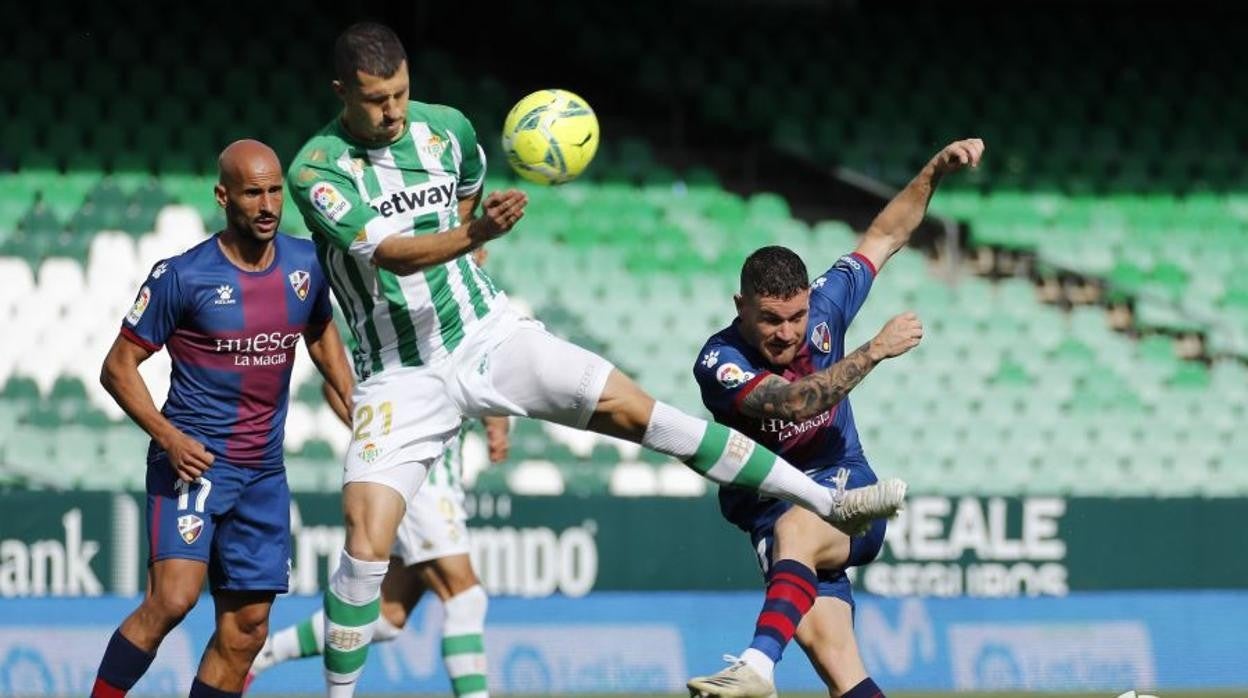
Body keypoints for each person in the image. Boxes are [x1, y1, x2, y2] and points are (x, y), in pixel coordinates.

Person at [286, 22, 907, 696]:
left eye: (402, 93)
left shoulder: (447, 131)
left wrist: (474, 236)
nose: (394, 111)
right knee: (364, 540)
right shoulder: (317, 169)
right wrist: (472, 233)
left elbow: (465, 190)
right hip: (398, 373)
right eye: (377, 100)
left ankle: (827, 499)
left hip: (486, 334)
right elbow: (391, 253)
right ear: (343, 91)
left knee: (640, 411)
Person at [686, 138, 985, 698]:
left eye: (796, 317)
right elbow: (796, 401)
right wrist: (872, 350)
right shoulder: (718, 362)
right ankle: (764, 665)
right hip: (769, 510)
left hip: (847, 492)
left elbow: (885, 235)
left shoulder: (827, 304)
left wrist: (934, 171)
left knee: (797, 526)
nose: (788, 332)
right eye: (771, 320)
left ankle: (756, 668)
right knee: (841, 669)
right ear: (740, 308)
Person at [89, 140, 355, 698]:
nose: (267, 205)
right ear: (222, 196)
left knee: (248, 629)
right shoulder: (182, 276)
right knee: (173, 599)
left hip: (263, 473)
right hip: (195, 464)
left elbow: (321, 334)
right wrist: (168, 436)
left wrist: (354, 404)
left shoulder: (306, 264)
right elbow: (117, 367)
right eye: (253, 192)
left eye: (275, 191)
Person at [247, 247, 510, 698]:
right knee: (465, 597)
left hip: (441, 472)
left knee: (387, 616)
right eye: (474, 244)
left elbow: (484, 371)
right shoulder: (413, 304)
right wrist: (372, 435)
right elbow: (349, 383)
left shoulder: (470, 308)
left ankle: (265, 653)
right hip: (420, 477)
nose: (480, 254)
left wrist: (497, 422)